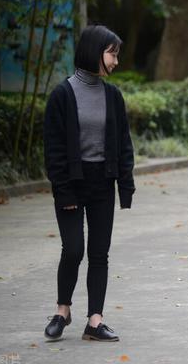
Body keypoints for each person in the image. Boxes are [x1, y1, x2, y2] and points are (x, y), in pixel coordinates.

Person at [43, 25, 135, 342]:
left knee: (99, 253)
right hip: (71, 182)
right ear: (95, 51)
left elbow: (124, 143)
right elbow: (53, 149)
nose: (115, 61)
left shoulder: (112, 95)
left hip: (101, 183)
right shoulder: (62, 95)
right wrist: (63, 189)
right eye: (112, 54)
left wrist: (125, 185)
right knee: (73, 250)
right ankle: (62, 310)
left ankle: (94, 321)